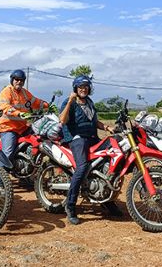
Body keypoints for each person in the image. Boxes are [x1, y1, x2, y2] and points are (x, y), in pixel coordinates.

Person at [59, 75, 121, 225]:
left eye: (86, 86)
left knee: (111, 157)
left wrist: (107, 128)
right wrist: (70, 101)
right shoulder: (70, 102)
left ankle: (107, 199)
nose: (83, 89)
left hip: (92, 136)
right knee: (82, 167)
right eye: (80, 86)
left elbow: (94, 121)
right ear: (75, 88)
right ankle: (70, 205)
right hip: (77, 138)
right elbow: (62, 120)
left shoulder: (89, 102)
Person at [0, 69, 48, 165]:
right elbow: (5, 107)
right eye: (17, 79)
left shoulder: (25, 93)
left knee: (41, 137)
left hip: (23, 128)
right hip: (8, 128)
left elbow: (36, 102)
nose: (19, 82)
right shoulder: (6, 92)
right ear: (12, 80)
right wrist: (18, 113)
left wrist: (47, 105)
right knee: (7, 154)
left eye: (22, 80)